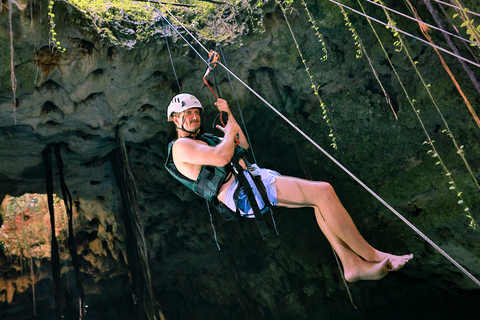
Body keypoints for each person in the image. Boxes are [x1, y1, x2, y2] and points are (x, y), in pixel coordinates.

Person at [165, 93, 413, 282]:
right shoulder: (181, 147)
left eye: (196, 112)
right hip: (243, 192)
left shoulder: (204, 139)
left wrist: (229, 116)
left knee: (318, 203)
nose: (194, 117)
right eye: (187, 114)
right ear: (176, 119)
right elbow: (221, 157)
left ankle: (351, 264)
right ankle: (374, 256)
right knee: (323, 192)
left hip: (253, 180)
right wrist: (228, 136)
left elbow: (243, 145)